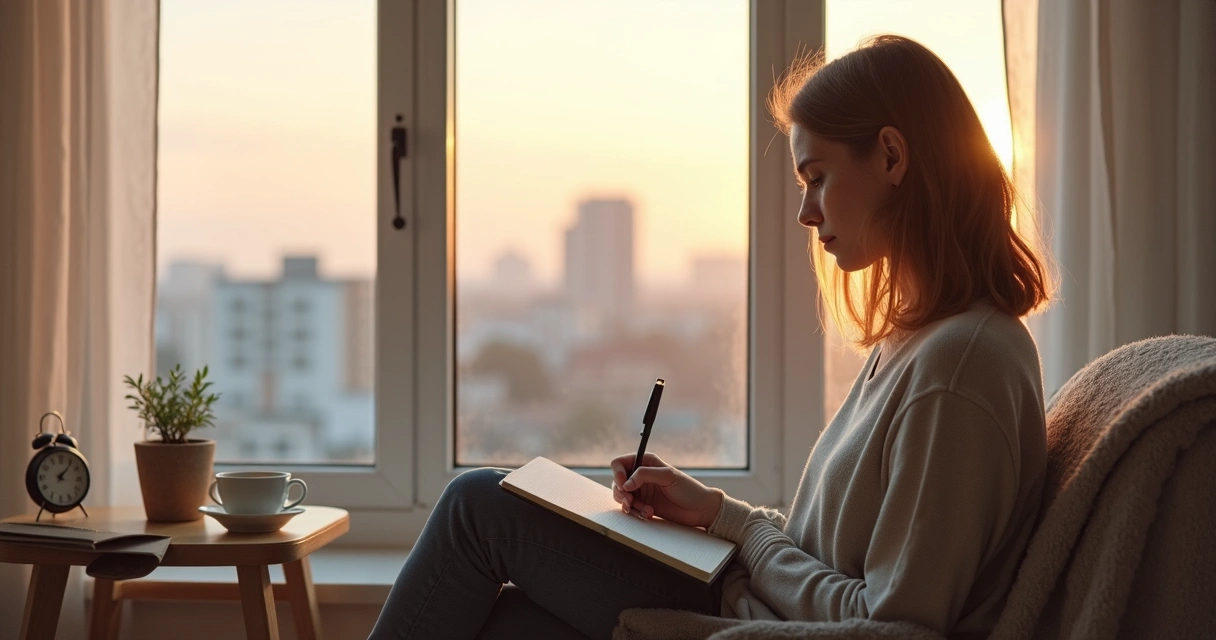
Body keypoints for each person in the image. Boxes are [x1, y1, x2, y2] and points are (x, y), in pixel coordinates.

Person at [368, 34, 1054, 640]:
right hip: (746, 599)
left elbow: (892, 625)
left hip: (748, 622)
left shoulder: (963, 366)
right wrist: (717, 512)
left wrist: (745, 531)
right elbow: (828, 555)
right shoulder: (919, 342)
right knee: (504, 622)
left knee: (476, 508)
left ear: (893, 156)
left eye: (817, 177)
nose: (805, 212)